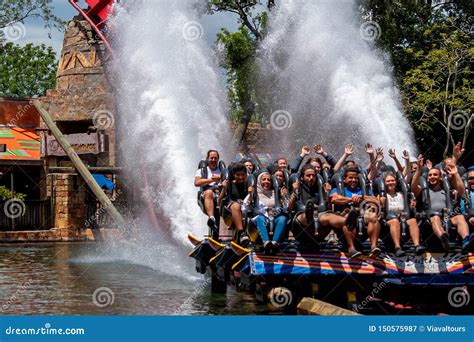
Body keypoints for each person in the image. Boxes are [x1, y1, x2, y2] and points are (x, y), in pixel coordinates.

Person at [411, 155, 474, 252]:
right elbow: (413, 187)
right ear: (427, 178)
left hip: (448, 216)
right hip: (429, 218)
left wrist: (456, 174)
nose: (432, 177)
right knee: (435, 217)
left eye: (435, 175)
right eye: (430, 175)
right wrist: (418, 170)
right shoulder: (424, 191)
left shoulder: (447, 190)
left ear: (440, 178)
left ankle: (466, 241)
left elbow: (462, 192)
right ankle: (443, 238)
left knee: (460, 217)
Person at [288, 165, 349, 250]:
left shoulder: (320, 187)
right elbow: (289, 208)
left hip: (319, 218)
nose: (311, 178)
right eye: (308, 176)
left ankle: (349, 221)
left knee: (329, 216)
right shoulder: (297, 186)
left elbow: (327, 207)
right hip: (301, 224)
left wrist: (327, 194)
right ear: (302, 177)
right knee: (304, 215)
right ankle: (309, 217)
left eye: (313, 175)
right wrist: (294, 192)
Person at [329, 166, 382, 258]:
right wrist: (351, 199)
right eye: (350, 178)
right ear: (344, 179)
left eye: (355, 178)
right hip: (346, 216)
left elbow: (376, 201)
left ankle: (374, 247)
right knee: (348, 216)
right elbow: (334, 199)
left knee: (373, 216)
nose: (353, 180)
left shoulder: (363, 190)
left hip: (362, 216)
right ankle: (351, 249)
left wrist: (362, 197)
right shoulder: (338, 189)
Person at [378, 172, 425, 256]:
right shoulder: (381, 195)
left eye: (392, 180)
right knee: (394, 221)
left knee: (413, 220)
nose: (390, 183)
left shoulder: (401, 194)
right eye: (388, 181)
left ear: (396, 182)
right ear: (384, 183)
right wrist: (380, 201)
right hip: (388, 220)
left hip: (403, 218)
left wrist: (412, 204)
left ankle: (417, 245)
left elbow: (409, 205)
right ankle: (397, 247)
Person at [244, 172, 288, 254]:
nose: (266, 181)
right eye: (264, 179)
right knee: (260, 218)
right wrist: (250, 194)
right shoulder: (255, 192)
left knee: (282, 218)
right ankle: (266, 242)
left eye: (269, 180)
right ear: (259, 181)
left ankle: (275, 243)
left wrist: (283, 197)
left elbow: (286, 208)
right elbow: (244, 206)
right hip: (259, 220)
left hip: (273, 218)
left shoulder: (276, 193)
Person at [220, 163, 250, 245]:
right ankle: (241, 233)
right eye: (238, 175)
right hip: (229, 210)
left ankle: (241, 241)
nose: (240, 177)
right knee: (236, 206)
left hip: (245, 209)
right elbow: (220, 201)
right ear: (233, 175)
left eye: (243, 174)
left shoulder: (248, 184)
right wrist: (224, 188)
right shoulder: (229, 184)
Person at [194, 150, 222, 233]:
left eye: (215, 158)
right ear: (207, 159)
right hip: (206, 195)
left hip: (220, 194)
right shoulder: (201, 171)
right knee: (209, 192)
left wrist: (220, 177)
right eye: (211, 158)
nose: (213, 160)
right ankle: (211, 218)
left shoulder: (222, 171)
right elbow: (197, 183)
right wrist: (211, 179)